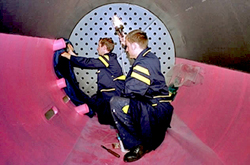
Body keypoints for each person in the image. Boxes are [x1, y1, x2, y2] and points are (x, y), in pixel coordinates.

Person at [110, 30, 174, 162]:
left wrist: (118, 85)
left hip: (155, 109)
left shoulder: (143, 65)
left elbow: (131, 90)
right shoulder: (149, 56)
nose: (126, 50)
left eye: (127, 47)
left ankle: (140, 145)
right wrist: (126, 41)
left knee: (116, 103)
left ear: (134, 46)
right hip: (158, 104)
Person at [61, 37, 125, 126]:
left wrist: (68, 56)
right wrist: (71, 54)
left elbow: (88, 63)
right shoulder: (108, 59)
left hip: (111, 95)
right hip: (107, 94)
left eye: (99, 46)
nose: (97, 48)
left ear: (104, 47)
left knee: (106, 117)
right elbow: (86, 62)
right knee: (101, 115)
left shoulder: (108, 59)